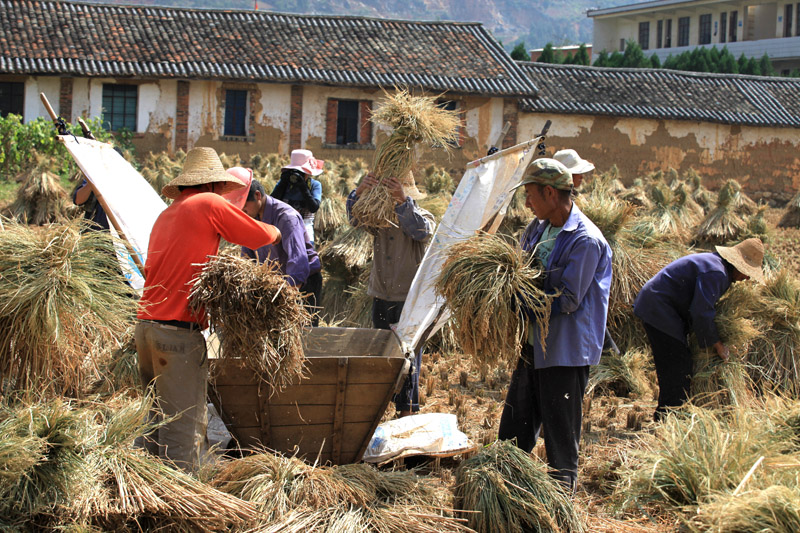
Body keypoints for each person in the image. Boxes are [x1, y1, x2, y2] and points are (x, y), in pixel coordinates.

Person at [135, 147, 281, 473]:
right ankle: (178, 505)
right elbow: (259, 236)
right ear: (214, 185)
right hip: (176, 335)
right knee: (182, 429)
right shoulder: (209, 204)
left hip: (146, 330)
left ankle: (142, 484)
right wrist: (279, 229)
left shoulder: (167, 214)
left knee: (155, 421)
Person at [499, 158, 612, 491]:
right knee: (514, 429)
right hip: (534, 345)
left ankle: (561, 506)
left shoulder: (585, 240)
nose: (527, 202)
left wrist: (518, 299)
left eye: (531, 194)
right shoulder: (538, 228)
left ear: (549, 192)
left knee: (560, 441)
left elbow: (567, 299)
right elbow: (521, 265)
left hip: (564, 351)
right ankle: (507, 489)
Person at [633, 238, 764, 421]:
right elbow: (701, 312)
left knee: (675, 363)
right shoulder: (717, 272)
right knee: (678, 365)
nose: (747, 278)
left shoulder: (716, 265)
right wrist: (718, 345)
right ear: (738, 264)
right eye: (747, 272)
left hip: (659, 306)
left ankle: (668, 415)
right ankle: (669, 419)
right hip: (659, 308)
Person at [346, 171, 435, 417]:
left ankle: (406, 410)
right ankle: (384, 404)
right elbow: (355, 220)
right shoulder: (379, 216)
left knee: (406, 356)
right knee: (383, 352)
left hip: (407, 299)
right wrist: (359, 193)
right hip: (381, 295)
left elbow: (421, 231)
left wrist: (402, 201)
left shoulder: (421, 215)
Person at [234, 167, 323, 326]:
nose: (242, 211)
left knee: (303, 337)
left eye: (244, 205)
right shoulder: (250, 218)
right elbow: (247, 258)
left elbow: (298, 262)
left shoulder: (286, 217)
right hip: (276, 285)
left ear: (257, 196)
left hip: (302, 283)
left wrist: (283, 299)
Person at [271, 149, 323, 245]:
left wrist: (303, 187)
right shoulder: (285, 185)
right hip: (283, 228)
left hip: (305, 229)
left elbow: (313, 207)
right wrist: (283, 183)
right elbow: (271, 203)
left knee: (307, 255)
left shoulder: (314, 185)